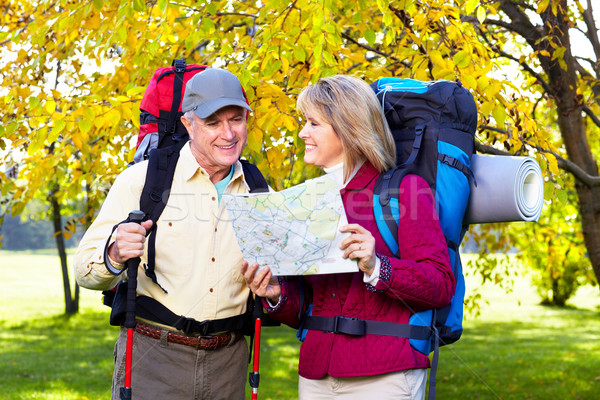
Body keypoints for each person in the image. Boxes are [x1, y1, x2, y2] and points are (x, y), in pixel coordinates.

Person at [242, 75, 455, 400]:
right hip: (316, 374)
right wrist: (276, 295)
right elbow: (308, 307)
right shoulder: (306, 201)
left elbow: (440, 285)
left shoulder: (405, 191)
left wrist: (377, 266)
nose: (303, 133)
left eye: (314, 123)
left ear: (348, 128)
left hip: (386, 374)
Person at [74, 67, 258, 400]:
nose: (229, 134)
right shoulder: (143, 181)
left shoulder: (260, 190)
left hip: (230, 363)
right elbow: (85, 271)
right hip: (154, 359)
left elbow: (278, 283)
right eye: (213, 123)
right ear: (188, 124)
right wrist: (115, 253)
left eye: (236, 120)